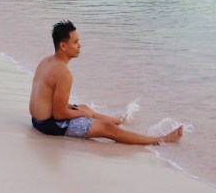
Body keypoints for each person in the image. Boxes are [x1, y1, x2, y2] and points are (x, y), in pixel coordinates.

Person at [29, 20, 183, 144]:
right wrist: (83, 114)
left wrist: (80, 110)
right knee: (108, 129)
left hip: (37, 120)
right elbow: (59, 114)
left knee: (84, 108)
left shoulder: (46, 62)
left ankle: (119, 121)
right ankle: (160, 140)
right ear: (63, 46)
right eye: (76, 42)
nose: (80, 45)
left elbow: (48, 100)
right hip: (49, 126)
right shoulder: (64, 73)